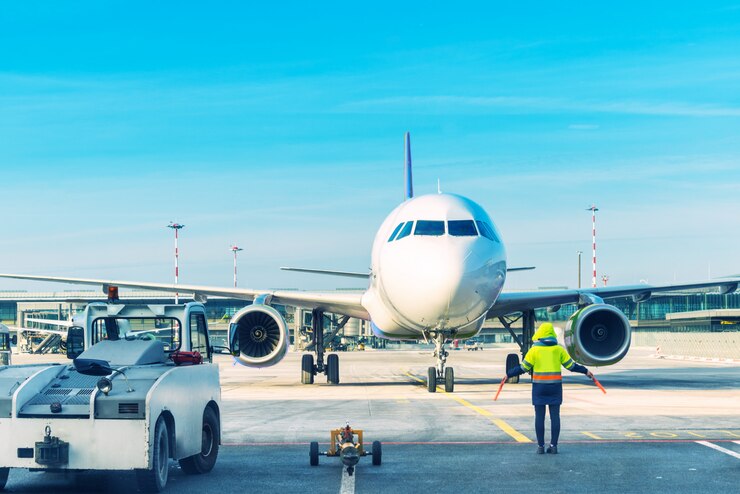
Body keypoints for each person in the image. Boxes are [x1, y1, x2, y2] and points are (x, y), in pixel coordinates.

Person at [505, 322, 593, 454]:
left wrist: (509, 374)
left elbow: (523, 368)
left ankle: (540, 447)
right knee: (555, 417)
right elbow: (571, 366)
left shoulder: (534, 350)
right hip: (555, 388)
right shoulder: (558, 350)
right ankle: (554, 446)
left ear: (540, 334)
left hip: (539, 388)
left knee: (539, 417)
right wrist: (585, 371)